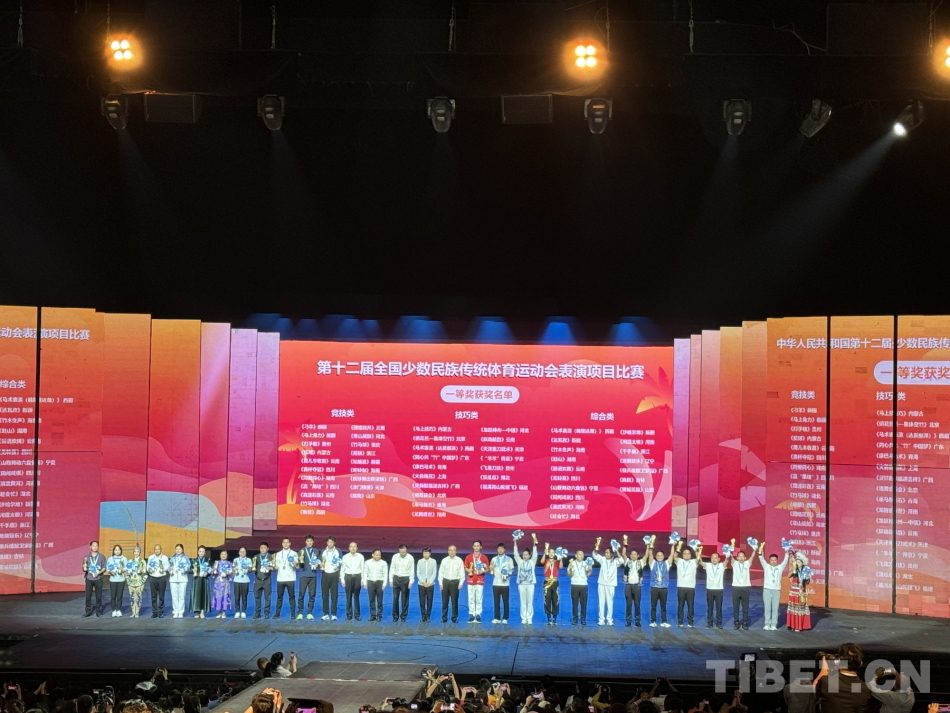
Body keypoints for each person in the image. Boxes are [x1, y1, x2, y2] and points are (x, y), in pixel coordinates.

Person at [813, 644, 871, 713]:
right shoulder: (866, 689)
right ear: (861, 663)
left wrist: (824, 670)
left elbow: (810, 696)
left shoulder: (826, 682)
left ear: (839, 662)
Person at [758, 542, 789, 631]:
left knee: (775, 608)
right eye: (771, 560)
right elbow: (761, 558)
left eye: (775, 560)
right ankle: (767, 624)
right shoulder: (766, 566)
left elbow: (785, 561)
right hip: (767, 590)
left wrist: (787, 551)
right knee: (767, 608)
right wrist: (761, 549)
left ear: (777, 560)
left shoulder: (780, 567)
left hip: (776, 590)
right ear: (769, 560)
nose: (773, 561)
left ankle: (773, 624)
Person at [592, 537, 620, 626]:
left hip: (611, 585)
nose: (606, 554)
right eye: (605, 552)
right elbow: (595, 555)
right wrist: (597, 545)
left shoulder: (615, 561)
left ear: (612, 554)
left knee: (610, 602)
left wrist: (617, 550)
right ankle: (601, 619)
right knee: (601, 602)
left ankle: (609, 619)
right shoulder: (603, 559)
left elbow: (622, 560)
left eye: (608, 553)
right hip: (602, 583)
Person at [695, 545, 725, 629]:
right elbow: (700, 561)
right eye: (712, 558)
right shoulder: (707, 565)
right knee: (710, 607)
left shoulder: (722, 566)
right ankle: (710, 623)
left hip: (719, 590)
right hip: (710, 590)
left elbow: (727, 561)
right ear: (710, 559)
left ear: (719, 559)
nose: (714, 559)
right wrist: (697, 552)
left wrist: (728, 553)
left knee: (719, 608)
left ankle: (719, 623)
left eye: (716, 558)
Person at [644, 537, 671, 627]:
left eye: (661, 555)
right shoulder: (652, 563)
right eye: (658, 555)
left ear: (663, 556)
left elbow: (671, 555)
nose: (659, 556)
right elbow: (650, 555)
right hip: (654, 588)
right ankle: (653, 621)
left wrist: (673, 545)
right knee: (653, 606)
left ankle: (664, 621)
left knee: (663, 606)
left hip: (663, 588)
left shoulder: (666, 564)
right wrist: (651, 546)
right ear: (656, 556)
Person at [671, 541, 698, 627]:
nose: (686, 555)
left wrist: (695, 548)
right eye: (685, 553)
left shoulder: (694, 562)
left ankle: (690, 622)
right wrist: (678, 547)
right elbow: (674, 556)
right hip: (681, 586)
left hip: (690, 587)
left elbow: (699, 558)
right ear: (682, 555)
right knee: (680, 605)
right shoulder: (679, 561)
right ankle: (680, 622)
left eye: (688, 553)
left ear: (691, 555)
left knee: (690, 605)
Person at [726, 539, 752, 630]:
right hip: (736, 588)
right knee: (736, 607)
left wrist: (755, 549)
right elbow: (731, 555)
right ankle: (736, 622)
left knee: (745, 607)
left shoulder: (747, 563)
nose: (740, 558)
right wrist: (732, 544)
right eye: (739, 556)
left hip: (745, 588)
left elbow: (752, 557)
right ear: (737, 558)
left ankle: (745, 622)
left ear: (745, 558)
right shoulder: (735, 563)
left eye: (742, 556)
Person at [619, 535, 645, 627]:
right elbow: (623, 554)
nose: (633, 555)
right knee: (629, 604)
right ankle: (628, 621)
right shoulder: (627, 562)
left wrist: (648, 545)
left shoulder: (641, 562)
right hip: (628, 586)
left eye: (635, 554)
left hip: (637, 586)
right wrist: (624, 544)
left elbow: (646, 555)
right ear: (630, 555)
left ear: (638, 556)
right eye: (632, 554)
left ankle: (637, 621)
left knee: (637, 604)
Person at [514, 532, 539, 624]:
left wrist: (534, 541)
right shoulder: (520, 561)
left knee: (530, 602)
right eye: (523, 554)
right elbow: (515, 554)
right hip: (521, 584)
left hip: (530, 584)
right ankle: (524, 618)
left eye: (526, 555)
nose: (524, 556)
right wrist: (515, 541)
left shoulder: (532, 562)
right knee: (523, 602)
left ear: (529, 555)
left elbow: (535, 553)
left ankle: (529, 617)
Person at [438, 544, 465, 623]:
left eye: (453, 550)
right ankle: (444, 618)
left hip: (455, 582)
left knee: (454, 602)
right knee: (444, 602)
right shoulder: (444, 560)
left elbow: (462, 573)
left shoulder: (459, 560)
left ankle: (454, 618)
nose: (452, 552)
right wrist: (440, 583)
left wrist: (461, 583)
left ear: (456, 551)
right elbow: (441, 572)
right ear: (448, 551)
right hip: (445, 582)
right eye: (450, 550)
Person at [273, 538, 298, 619]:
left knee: (292, 597)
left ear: (290, 543)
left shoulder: (294, 553)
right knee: (279, 597)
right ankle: (277, 613)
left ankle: (293, 614)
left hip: (290, 578)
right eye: (284, 542)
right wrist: (274, 564)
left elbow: (297, 566)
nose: (286, 544)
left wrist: (294, 563)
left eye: (287, 542)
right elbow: (276, 567)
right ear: (282, 544)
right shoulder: (278, 554)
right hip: (280, 578)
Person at [541, 542, 566, 625]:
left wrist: (561, 558)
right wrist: (545, 552)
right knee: (547, 599)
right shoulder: (546, 561)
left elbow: (561, 567)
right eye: (550, 552)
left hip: (555, 582)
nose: (551, 554)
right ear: (548, 553)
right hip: (547, 582)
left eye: (553, 552)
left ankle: (555, 616)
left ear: (555, 553)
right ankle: (548, 617)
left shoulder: (557, 561)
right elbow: (541, 561)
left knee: (555, 599)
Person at [490, 542, 514, 624]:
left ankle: (505, 618)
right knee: (496, 601)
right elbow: (491, 571)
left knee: (505, 601)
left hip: (505, 583)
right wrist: (491, 569)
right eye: (499, 548)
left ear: (505, 550)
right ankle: (497, 617)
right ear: (497, 550)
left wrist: (507, 575)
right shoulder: (494, 559)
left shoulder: (509, 559)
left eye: (501, 548)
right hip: (496, 583)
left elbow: (512, 570)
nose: (500, 550)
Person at [464, 540, 488, 623]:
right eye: (475, 545)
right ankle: (471, 614)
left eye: (478, 546)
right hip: (471, 580)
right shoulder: (468, 557)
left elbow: (487, 568)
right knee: (471, 598)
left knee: (479, 598)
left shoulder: (484, 557)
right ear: (472, 547)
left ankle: (478, 614)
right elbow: (465, 567)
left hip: (480, 580)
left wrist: (482, 571)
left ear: (481, 547)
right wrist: (468, 570)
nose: (476, 547)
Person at [390, 544, 415, 622]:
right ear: (399, 550)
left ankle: (403, 616)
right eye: (401, 552)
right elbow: (392, 568)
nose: (402, 554)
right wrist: (391, 580)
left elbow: (411, 570)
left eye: (404, 552)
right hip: (396, 578)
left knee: (405, 599)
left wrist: (411, 581)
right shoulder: (395, 557)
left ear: (406, 550)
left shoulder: (410, 558)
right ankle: (395, 616)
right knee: (395, 598)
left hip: (405, 579)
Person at [320, 536, 343, 620]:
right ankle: (325, 614)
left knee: (334, 595)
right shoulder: (323, 551)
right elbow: (319, 561)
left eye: (332, 542)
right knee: (324, 595)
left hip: (334, 574)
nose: (330, 544)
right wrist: (320, 565)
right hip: (325, 574)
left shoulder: (338, 551)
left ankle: (333, 614)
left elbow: (341, 561)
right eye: (329, 542)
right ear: (327, 543)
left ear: (334, 543)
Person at [296, 535, 319, 620]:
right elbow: (299, 565)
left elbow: (318, 563)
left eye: (311, 541)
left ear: (313, 542)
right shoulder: (301, 551)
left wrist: (318, 563)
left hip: (313, 576)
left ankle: (310, 612)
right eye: (308, 541)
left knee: (312, 595)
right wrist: (300, 560)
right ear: (305, 542)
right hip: (304, 575)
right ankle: (300, 612)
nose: (309, 542)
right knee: (301, 595)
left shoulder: (316, 551)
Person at [567, 549, 592, 625]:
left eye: (582, 554)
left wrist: (590, 569)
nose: (581, 556)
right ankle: (575, 619)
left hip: (583, 585)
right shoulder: (572, 563)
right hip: (575, 585)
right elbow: (569, 574)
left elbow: (588, 574)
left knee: (583, 603)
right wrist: (571, 569)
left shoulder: (586, 563)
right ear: (576, 555)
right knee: (575, 603)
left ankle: (583, 619)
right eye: (580, 554)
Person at [340, 541, 364, 621]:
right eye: (351, 546)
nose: (353, 548)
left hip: (357, 577)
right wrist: (342, 579)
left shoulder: (360, 557)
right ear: (349, 548)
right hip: (348, 577)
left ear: (357, 548)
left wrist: (363, 579)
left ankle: (357, 615)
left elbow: (363, 569)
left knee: (356, 597)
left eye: (354, 546)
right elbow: (342, 569)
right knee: (348, 597)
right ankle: (349, 615)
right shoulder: (345, 557)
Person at [82, 540, 107, 617]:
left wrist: (98, 573)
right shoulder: (86, 557)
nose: (95, 547)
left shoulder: (101, 556)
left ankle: (98, 611)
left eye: (96, 546)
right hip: (89, 578)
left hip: (98, 578)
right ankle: (88, 611)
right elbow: (84, 568)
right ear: (90, 547)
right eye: (93, 546)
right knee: (88, 596)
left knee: (98, 596)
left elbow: (104, 567)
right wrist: (85, 567)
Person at [786, 557, 812, 631]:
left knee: (800, 608)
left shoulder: (805, 570)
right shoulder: (794, 570)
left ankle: (799, 626)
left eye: (799, 562)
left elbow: (807, 582)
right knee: (793, 608)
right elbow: (788, 576)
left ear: (802, 563)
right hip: (793, 592)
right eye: (797, 562)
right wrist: (793, 569)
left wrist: (807, 577)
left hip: (801, 592)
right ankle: (793, 625)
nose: (798, 564)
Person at [363, 547, 388, 621]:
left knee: (379, 600)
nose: (378, 556)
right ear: (372, 555)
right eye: (377, 555)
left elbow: (385, 574)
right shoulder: (367, 562)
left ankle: (379, 615)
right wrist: (365, 582)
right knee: (371, 600)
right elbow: (365, 573)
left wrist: (384, 584)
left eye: (379, 555)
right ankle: (373, 615)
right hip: (371, 582)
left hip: (379, 582)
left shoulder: (383, 563)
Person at [146, 544, 170, 618]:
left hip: (162, 578)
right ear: (154, 550)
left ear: (161, 549)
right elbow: (148, 567)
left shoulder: (165, 557)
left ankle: (160, 612)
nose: (157, 551)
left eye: (158, 549)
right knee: (153, 596)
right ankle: (154, 612)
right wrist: (149, 569)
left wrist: (163, 569)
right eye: (155, 549)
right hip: (153, 578)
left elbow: (168, 566)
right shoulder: (150, 557)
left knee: (161, 596)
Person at [168, 544, 191, 619]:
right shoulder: (172, 559)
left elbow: (188, 567)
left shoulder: (186, 558)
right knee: (174, 596)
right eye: (176, 549)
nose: (178, 550)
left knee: (182, 596)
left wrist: (182, 569)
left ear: (182, 550)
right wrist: (170, 570)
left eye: (179, 549)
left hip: (183, 579)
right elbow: (169, 567)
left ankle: (181, 612)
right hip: (173, 579)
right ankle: (175, 611)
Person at [252, 542, 274, 619]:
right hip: (258, 580)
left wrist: (270, 568)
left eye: (264, 548)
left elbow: (274, 567)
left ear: (267, 549)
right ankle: (257, 613)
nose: (263, 549)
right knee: (257, 597)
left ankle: (266, 613)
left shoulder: (271, 557)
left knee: (267, 597)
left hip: (267, 580)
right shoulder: (256, 557)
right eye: (261, 548)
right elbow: (253, 568)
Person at [106, 544, 128, 617]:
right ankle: (113, 610)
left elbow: (126, 568)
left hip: (121, 580)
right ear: (113, 551)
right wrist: (110, 571)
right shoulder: (110, 559)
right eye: (116, 550)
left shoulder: (124, 558)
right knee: (113, 596)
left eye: (119, 550)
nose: (117, 551)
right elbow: (107, 568)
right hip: (113, 580)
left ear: (121, 551)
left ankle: (118, 609)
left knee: (119, 596)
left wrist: (122, 569)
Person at [125, 546, 148, 618]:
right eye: (135, 551)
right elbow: (127, 570)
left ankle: (137, 612)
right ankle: (133, 612)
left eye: (138, 551)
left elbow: (144, 571)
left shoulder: (142, 561)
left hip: (139, 581)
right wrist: (127, 573)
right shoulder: (130, 561)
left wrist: (141, 571)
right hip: (131, 581)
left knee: (138, 597)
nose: (136, 553)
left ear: (140, 552)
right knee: (132, 597)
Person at [191, 545, 213, 618]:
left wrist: (208, 572)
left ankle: (202, 611)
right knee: (197, 595)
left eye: (203, 551)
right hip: (196, 579)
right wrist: (193, 570)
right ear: (198, 552)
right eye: (200, 551)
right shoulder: (194, 560)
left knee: (203, 594)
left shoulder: (207, 560)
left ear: (205, 552)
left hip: (204, 579)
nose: (201, 553)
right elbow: (190, 569)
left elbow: (210, 569)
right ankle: (197, 611)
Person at [416, 547, 437, 622]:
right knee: (422, 601)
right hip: (421, 584)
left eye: (427, 553)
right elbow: (418, 573)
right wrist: (423, 582)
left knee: (429, 601)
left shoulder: (433, 561)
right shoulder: (419, 561)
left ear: (430, 554)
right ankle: (423, 616)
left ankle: (428, 616)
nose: (425, 554)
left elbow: (434, 573)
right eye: (424, 553)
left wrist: (429, 582)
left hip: (430, 584)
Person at [212, 549, 234, 618]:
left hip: (225, 582)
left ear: (227, 555)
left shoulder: (229, 564)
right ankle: (219, 612)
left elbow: (232, 573)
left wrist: (229, 573)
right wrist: (214, 571)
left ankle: (224, 612)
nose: (223, 555)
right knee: (218, 596)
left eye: (224, 554)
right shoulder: (217, 563)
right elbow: (213, 572)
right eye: (222, 554)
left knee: (225, 597)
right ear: (220, 555)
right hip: (218, 583)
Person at [233, 546, 253, 618]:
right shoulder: (235, 560)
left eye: (244, 551)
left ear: (246, 552)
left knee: (244, 597)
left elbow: (250, 570)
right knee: (237, 597)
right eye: (241, 551)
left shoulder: (249, 560)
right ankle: (237, 611)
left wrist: (248, 569)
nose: (242, 553)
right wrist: (234, 569)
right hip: (237, 580)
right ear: (239, 552)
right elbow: (233, 569)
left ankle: (244, 611)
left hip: (245, 580)